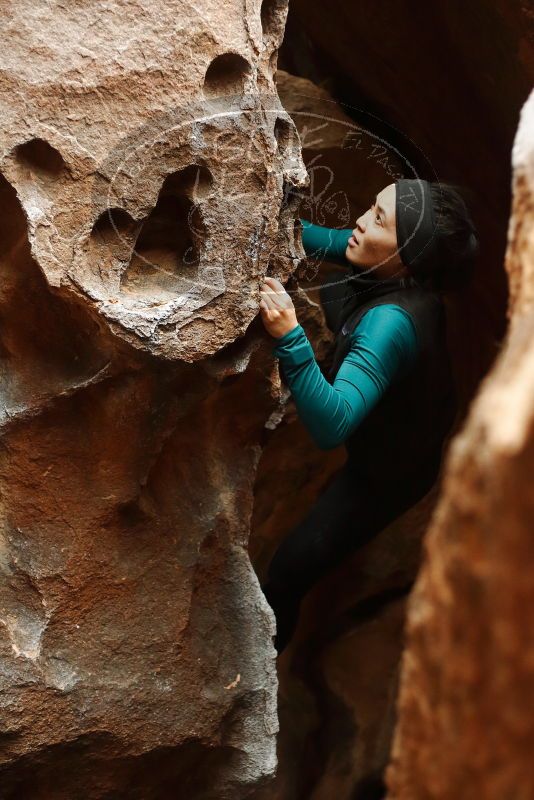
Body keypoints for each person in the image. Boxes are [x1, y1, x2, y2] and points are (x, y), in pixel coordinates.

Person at [258, 178, 479, 655]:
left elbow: (331, 424)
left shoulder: (390, 325)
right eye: (373, 206)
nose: (360, 220)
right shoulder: (380, 261)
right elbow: (318, 237)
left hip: (389, 473)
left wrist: (290, 336)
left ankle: (257, 665)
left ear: (405, 258)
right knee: (341, 277)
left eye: (378, 219)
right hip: (401, 413)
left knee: (292, 566)